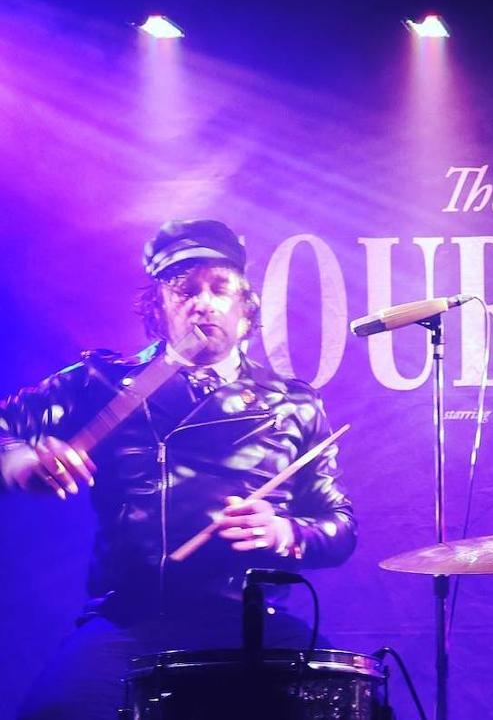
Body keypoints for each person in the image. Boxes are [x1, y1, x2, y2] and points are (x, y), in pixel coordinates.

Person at [0, 219, 357, 720]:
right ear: (159, 307)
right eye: (184, 290)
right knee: (55, 712)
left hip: (249, 617)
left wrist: (283, 531)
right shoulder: (101, 382)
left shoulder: (293, 403)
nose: (202, 303)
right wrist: (19, 461)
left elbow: (339, 527)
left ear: (245, 305)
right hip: (132, 616)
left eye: (219, 289)